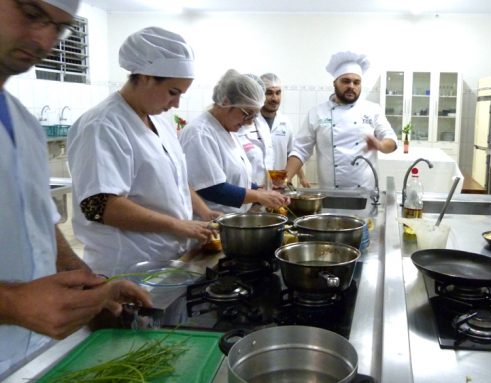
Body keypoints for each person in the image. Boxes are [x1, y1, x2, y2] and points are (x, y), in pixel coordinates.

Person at [0, 0, 151, 377]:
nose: (45, 38)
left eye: (60, 27)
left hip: (33, 352)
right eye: (32, 14)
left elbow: (41, 225)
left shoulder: (23, 124)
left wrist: (92, 286)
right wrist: (11, 302)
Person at [67, 27, 220, 276]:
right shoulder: (102, 125)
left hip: (168, 257)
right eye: (173, 92)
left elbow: (175, 180)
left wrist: (203, 211)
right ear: (146, 76)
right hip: (127, 266)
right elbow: (100, 206)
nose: (176, 104)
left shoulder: (159, 121)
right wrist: (179, 226)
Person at [179, 69, 289, 213]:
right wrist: (258, 196)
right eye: (247, 114)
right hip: (210, 223)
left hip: (231, 220)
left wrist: (261, 190)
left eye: (254, 116)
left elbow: (237, 179)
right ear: (226, 102)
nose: (249, 122)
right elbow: (212, 189)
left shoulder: (227, 130)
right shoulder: (200, 133)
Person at [285, 51, 398, 189]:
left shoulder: (373, 110)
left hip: (365, 193)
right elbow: (300, 150)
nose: (351, 86)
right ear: (335, 83)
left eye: (356, 82)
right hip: (330, 193)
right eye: (346, 81)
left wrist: (380, 145)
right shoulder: (317, 113)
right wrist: (284, 180)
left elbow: (391, 140)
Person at [258, 73, 310, 187]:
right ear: (260, 94)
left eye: (278, 93)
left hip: (278, 185)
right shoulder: (249, 122)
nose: (275, 98)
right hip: (254, 186)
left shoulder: (285, 123)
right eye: (269, 93)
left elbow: (292, 154)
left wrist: (302, 177)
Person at [235, 74, 275, 188]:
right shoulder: (233, 129)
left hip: (263, 194)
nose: (253, 115)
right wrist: (256, 192)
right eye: (249, 111)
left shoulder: (262, 125)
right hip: (242, 197)